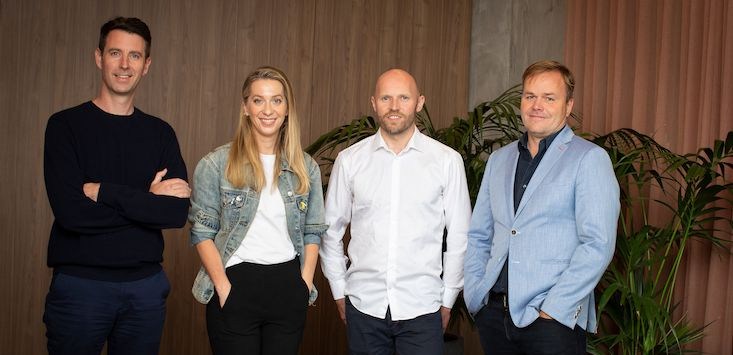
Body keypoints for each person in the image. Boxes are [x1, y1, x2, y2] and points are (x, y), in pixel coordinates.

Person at [42, 17, 190, 355]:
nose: (125, 65)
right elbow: (71, 214)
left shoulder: (160, 133)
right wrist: (147, 202)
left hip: (145, 289)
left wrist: (106, 193)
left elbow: (176, 212)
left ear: (146, 65)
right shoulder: (65, 126)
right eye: (115, 53)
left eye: (135, 56)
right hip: (81, 288)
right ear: (99, 57)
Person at [463, 60, 621, 354]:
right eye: (530, 96)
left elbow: (598, 244)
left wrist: (555, 309)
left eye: (549, 98)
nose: (537, 105)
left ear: (568, 105)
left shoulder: (589, 159)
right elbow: (479, 235)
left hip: (551, 323)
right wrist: (475, 293)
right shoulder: (499, 161)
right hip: (495, 316)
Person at [320, 68, 472, 355]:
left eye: (404, 97)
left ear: (419, 102)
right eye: (386, 98)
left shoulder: (446, 162)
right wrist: (340, 290)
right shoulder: (350, 161)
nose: (394, 106)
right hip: (364, 306)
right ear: (373, 103)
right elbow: (330, 230)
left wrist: (448, 297)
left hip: (423, 307)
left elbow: (460, 235)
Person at [189, 66, 327, 355]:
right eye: (258, 100)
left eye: (277, 100)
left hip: (288, 289)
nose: (268, 109)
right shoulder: (216, 164)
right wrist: (224, 289)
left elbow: (312, 232)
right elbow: (202, 234)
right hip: (236, 287)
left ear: (287, 108)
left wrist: (303, 284)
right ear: (245, 107)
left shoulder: (306, 167)